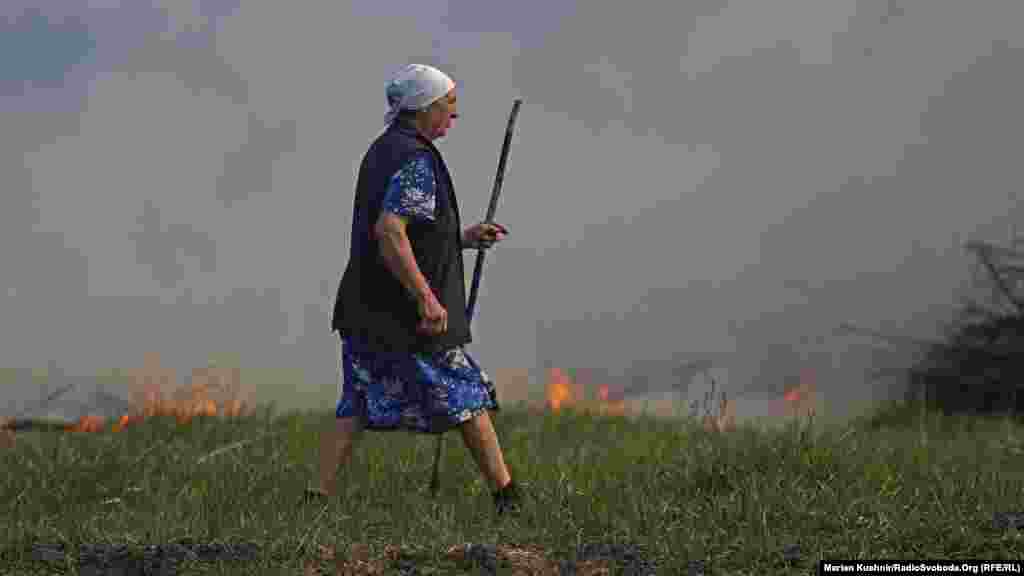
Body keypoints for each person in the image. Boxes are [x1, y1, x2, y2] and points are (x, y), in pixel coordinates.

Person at [307, 64, 522, 515]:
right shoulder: (416, 160)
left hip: (366, 308)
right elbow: (390, 232)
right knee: (466, 394)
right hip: (407, 317)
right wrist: (426, 299)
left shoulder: (383, 149)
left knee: (357, 402)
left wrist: (460, 239)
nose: (454, 114)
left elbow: (409, 233)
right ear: (423, 108)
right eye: (448, 104)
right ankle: (509, 499)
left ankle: (314, 499)